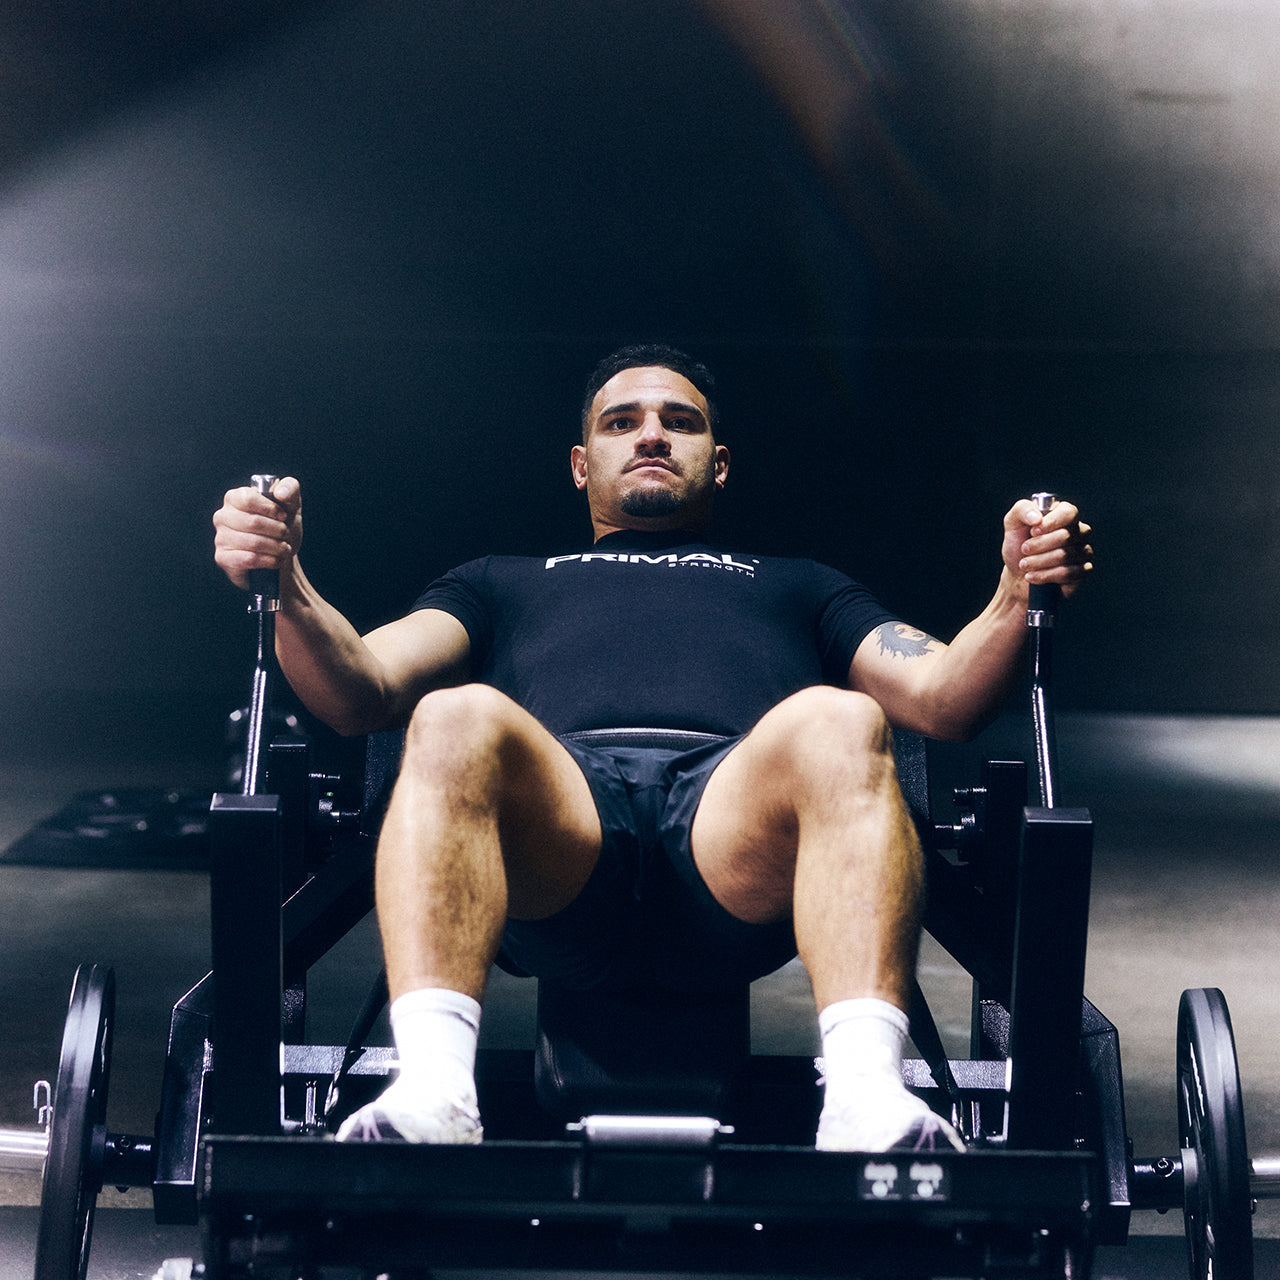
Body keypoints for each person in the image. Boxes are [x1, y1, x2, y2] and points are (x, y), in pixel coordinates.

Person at [212, 344, 1093, 1152]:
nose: (652, 436)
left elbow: (947, 699)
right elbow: (359, 688)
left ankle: (866, 1103)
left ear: (719, 460)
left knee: (839, 719)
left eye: (681, 421)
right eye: (621, 421)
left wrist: (1019, 589)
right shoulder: (498, 581)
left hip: (729, 837)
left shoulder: (799, 585)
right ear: (580, 462)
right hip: (565, 840)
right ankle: (434, 1099)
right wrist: (284, 582)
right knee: (452, 716)